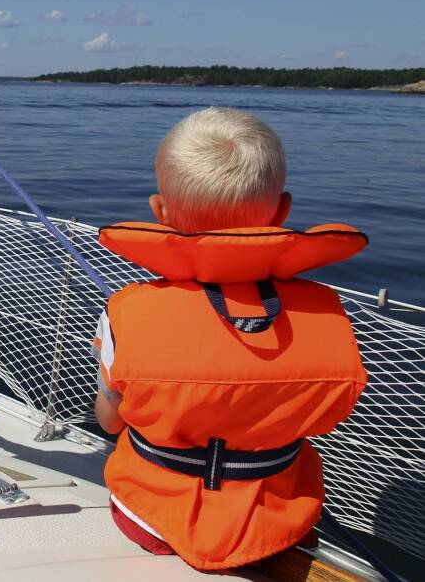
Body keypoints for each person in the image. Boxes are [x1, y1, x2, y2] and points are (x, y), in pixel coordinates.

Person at [93, 107, 368, 569]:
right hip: (276, 522)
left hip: (150, 519)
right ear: (282, 210)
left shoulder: (125, 310)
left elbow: (110, 422)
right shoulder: (325, 311)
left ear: (159, 212)